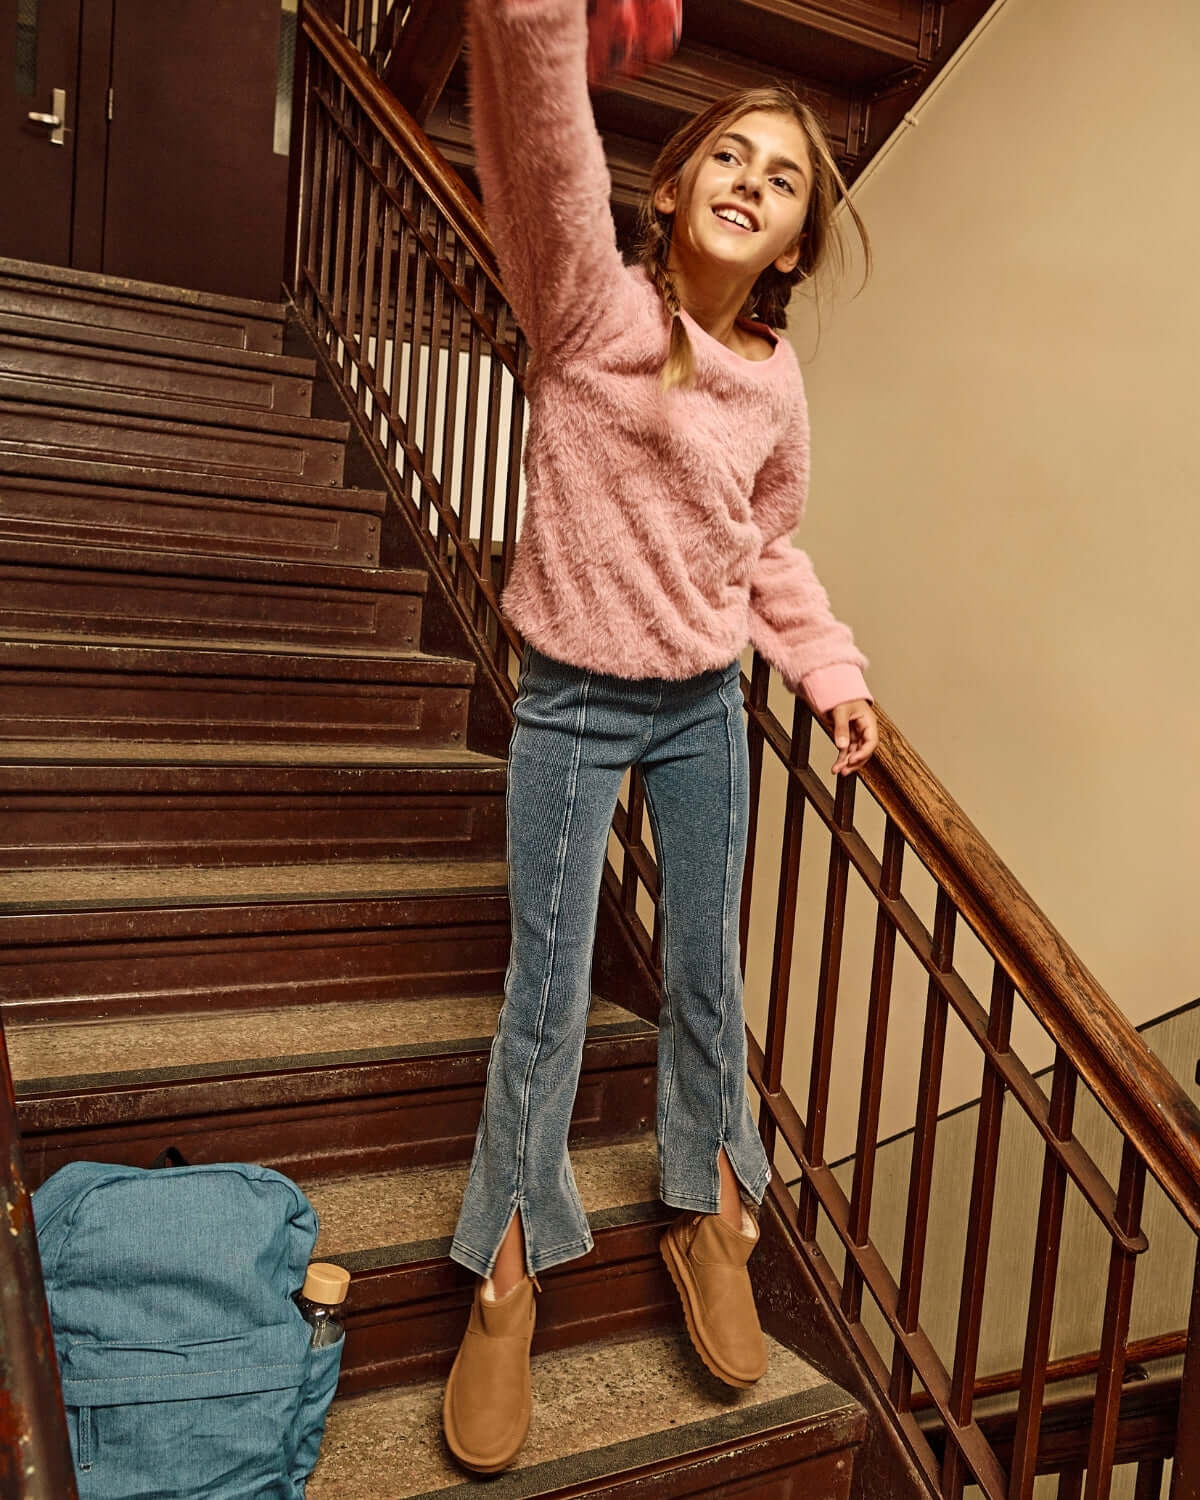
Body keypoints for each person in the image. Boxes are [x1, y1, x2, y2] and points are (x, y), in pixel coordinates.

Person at [441, 0, 879, 1474]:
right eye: (732, 156)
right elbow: (545, 148)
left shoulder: (776, 386)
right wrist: (535, 20)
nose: (756, 178)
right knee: (548, 997)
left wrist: (828, 672)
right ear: (677, 185)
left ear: (796, 245)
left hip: (703, 705)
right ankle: (506, 1263)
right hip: (570, 697)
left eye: (788, 178)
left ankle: (708, 1206)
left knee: (709, 972)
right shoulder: (591, 308)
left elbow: (770, 551)